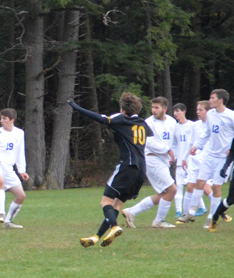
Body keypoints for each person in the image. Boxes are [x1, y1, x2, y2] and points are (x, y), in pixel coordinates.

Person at [68, 93, 152, 248]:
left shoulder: (121, 119)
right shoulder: (142, 123)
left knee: (105, 202)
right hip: (141, 170)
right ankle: (96, 237)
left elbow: (100, 118)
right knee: (116, 206)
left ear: (123, 109)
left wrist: (77, 108)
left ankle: (114, 226)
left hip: (127, 166)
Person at [187, 89, 234, 228]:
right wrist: (196, 146)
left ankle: (211, 218)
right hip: (209, 154)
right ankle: (191, 211)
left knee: (216, 186)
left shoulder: (231, 116)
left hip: (223, 157)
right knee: (200, 181)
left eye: (212, 98)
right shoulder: (211, 114)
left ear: (220, 100)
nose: (210, 100)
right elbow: (207, 132)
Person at [122, 97, 178, 229]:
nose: (153, 110)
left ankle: (131, 212)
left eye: (157, 108)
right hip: (152, 159)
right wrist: (167, 150)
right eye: (152, 107)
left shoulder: (171, 121)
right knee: (172, 190)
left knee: (165, 194)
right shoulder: (147, 123)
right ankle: (159, 221)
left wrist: (172, 154)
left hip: (163, 160)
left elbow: (173, 141)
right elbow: (149, 142)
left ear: (164, 109)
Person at [0, 108, 29, 228]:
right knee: (0, 181)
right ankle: (1, 213)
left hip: (8, 168)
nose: (1, 121)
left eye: (4, 118)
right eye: (1, 118)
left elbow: (20, 152)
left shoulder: (19, 133)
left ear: (12, 120)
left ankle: (8, 221)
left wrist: (22, 170)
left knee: (21, 196)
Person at [177, 101, 211, 222]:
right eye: (197, 110)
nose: (197, 112)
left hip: (207, 160)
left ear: (208, 111)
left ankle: (218, 211)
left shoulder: (212, 124)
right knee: (190, 186)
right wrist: (185, 158)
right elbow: (191, 143)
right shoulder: (195, 125)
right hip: (195, 160)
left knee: (206, 188)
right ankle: (186, 215)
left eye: (200, 110)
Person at [171, 104, 193, 219]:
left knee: (192, 186)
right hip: (180, 162)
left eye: (177, 111)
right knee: (179, 186)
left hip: (191, 161)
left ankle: (193, 209)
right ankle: (178, 211)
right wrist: (174, 157)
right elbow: (174, 144)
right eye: (174, 111)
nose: (175, 113)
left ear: (184, 111)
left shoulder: (192, 126)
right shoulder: (175, 128)